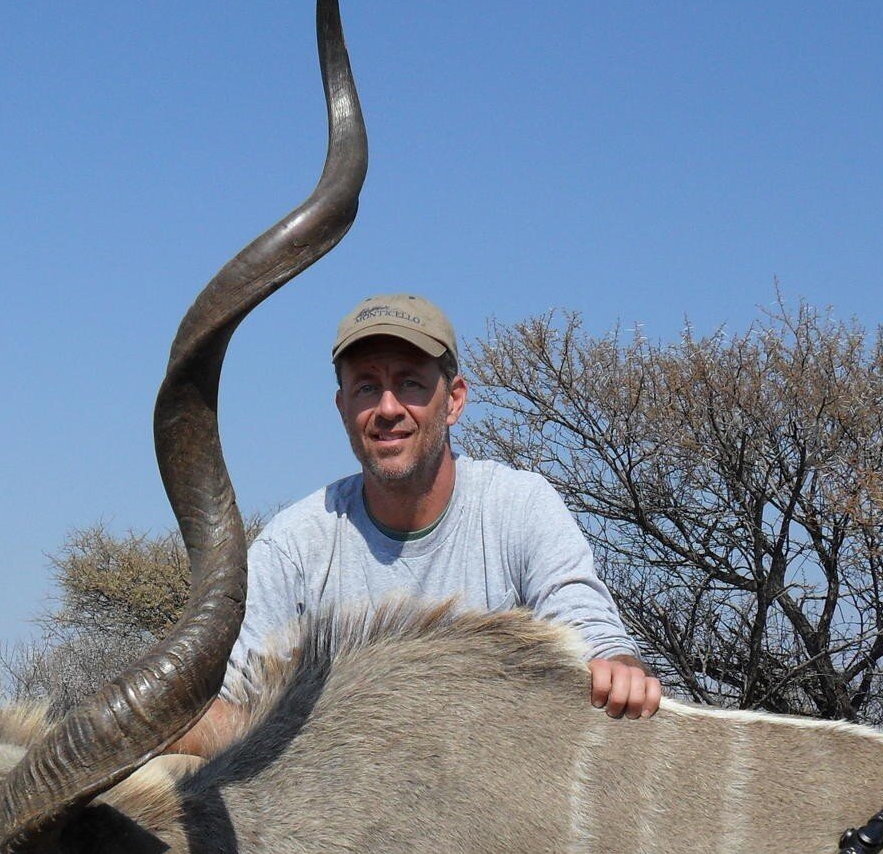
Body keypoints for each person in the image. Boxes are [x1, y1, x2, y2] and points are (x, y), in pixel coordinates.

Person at [172, 293, 660, 756]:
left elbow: (590, 632)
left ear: (453, 400)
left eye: (410, 383)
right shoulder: (295, 543)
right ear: (342, 407)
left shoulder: (518, 505)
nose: (387, 409)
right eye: (366, 386)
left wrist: (618, 668)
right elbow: (228, 699)